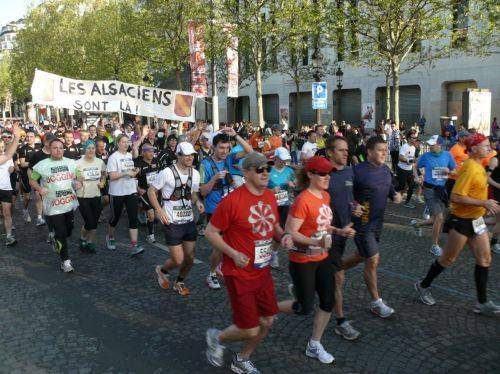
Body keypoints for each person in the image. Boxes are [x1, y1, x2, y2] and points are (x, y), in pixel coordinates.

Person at [204, 152, 293, 374]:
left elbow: (272, 225)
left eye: (267, 169)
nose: (265, 173)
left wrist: (283, 237)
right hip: (239, 273)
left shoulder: (271, 196)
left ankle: (242, 358)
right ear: (246, 173)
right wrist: (232, 253)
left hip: (262, 272)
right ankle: (217, 337)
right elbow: (210, 233)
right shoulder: (233, 201)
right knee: (251, 329)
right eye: (259, 169)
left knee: (268, 321)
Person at [278, 156, 355, 364]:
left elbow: (323, 225)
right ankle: (270, 308)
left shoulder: (324, 196)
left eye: (328, 173)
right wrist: (318, 243)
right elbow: (291, 232)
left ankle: (314, 343)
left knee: (328, 301)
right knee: (304, 307)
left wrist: (339, 230)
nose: (327, 177)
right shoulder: (303, 200)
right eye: (322, 173)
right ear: (310, 174)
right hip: (302, 260)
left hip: (323, 258)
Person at [415, 133, 500, 316]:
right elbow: (456, 196)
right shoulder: (471, 167)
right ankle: (423, 285)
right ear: (474, 148)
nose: (489, 147)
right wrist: (483, 203)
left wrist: (452, 172)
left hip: (476, 221)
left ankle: (482, 302)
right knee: (447, 259)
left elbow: (459, 173)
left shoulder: (476, 165)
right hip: (461, 221)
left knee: (484, 259)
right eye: (485, 145)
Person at [342, 136, 401, 317]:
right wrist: (353, 205)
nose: (384, 153)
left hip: (377, 224)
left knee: (360, 256)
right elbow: (345, 194)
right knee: (373, 260)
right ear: (369, 152)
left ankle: (332, 268)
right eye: (380, 150)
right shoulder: (356, 171)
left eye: (385, 150)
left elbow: (389, 185)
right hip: (363, 224)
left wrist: (395, 195)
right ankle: (376, 302)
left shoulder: (385, 169)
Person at [149, 142, 204, 296]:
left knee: (190, 258)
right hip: (171, 220)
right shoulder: (166, 172)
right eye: (186, 155)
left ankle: (179, 282)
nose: (189, 158)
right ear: (178, 155)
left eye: (191, 155)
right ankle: (162, 269)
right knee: (178, 259)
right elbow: (151, 191)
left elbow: (192, 193)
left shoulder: (195, 174)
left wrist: (197, 202)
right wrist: (159, 210)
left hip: (188, 220)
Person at [200, 128, 253, 289]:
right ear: (214, 147)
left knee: (235, 239)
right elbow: (202, 191)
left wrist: (235, 135)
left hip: (232, 206)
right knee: (219, 245)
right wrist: (214, 179)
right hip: (214, 207)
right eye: (221, 148)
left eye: (227, 148)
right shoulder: (205, 164)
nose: (224, 151)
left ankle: (224, 267)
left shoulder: (229, 159)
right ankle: (211, 273)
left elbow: (250, 152)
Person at [325, 136, 363, 340]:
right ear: (330, 152)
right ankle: (341, 322)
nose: (346, 153)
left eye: (346, 150)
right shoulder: (322, 173)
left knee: (329, 274)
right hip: (326, 233)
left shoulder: (349, 171)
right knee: (338, 277)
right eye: (341, 150)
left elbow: (350, 198)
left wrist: (356, 206)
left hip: (344, 231)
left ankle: (305, 284)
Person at [29, 138, 81, 272]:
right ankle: (65, 261)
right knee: (62, 233)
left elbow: (78, 176)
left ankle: (54, 236)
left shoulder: (71, 162)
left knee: (69, 230)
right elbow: (32, 180)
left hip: (69, 203)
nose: (58, 150)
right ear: (50, 149)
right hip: (53, 206)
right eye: (55, 148)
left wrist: (79, 182)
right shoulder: (42, 164)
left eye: (60, 148)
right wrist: (40, 189)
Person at [410, 135, 456, 256]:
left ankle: (417, 224)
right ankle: (434, 246)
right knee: (439, 217)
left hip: (442, 190)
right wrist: (417, 177)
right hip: (429, 189)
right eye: (429, 144)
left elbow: (455, 171)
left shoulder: (447, 155)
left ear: (439, 144)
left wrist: (449, 171)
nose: (430, 146)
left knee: (438, 219)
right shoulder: (426, 156)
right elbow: (415, 166)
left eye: (432, 144)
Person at [106, 134, 144, 256]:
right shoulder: (113, 157)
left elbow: (132, 171)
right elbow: (111, 176)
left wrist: (134, 172)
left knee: (133, 218)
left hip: (131, 191)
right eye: (123, 142)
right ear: (118, 143)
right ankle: (110, 237)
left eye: (127, 142)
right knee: (115, 218)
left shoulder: (129, 156)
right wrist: (126, 173)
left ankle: (134, 245)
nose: (126, 144)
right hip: (117, 192)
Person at [75, 140, 106, 253]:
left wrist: (103, 182)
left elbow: (104, 174)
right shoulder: (78, 163)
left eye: (93, 148)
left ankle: (89, 242)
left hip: (96, 194)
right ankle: (84, 239)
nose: (91, 150)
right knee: (89, 221)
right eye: (88, 148)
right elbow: (73, 178)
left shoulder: (100, 162)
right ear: (84, 149)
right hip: (83, 196)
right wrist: (77, 181)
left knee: (94, 220)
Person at [268, 147, 296, 268]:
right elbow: (259, 188)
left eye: (286, 160)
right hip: (269, 205)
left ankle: (273, 253)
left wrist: (292, 185)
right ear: (275, 158)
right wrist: (271, 190)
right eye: (282, 159)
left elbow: (296, 184)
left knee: (279, 232)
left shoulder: (289, 171)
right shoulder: (267, 171)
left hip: (284, 205)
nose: (284, 162)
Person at [134, 142, 160, 243]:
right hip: (144, 192)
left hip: (156, 191)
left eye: (153, 150)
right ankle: (150, 235)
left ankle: (141, 212)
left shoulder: (157, 162)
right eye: (149, 151)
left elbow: (163, 175)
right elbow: (132, 179)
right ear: (143, 153)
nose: (152, 153)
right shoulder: (138, 164)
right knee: (151, 214)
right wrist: (138, 189)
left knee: (158, 215)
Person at [0, 124, 22, 245]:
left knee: (7, 212)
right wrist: (17, 137)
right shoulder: (5, 155)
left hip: (6, 187)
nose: (0, 148)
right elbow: (9, 154)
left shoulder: (6, 156)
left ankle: (9, 236)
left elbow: (10, 159)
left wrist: (12, 169)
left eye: (2, 147)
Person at [17, 130, 41, 223]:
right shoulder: (23, 149)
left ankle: (39, 218)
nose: (29, 138)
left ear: (35, 138)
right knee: (27, 197)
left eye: (31, 136)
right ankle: (25, 210)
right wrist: (35, 163)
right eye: (27, 137)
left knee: (38, 195)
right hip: (26, 174)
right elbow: (22, 164)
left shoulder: (40, 147)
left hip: (38, 174)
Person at [396, 130, 418, 208]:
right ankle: (390, 191)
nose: (415, 139)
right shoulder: (405, 146)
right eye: (413, 138)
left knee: (412, 186)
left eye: (415, 138)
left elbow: (412, 158)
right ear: (409, 139)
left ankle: (407, 202)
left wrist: (415, 160)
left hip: (409, 170)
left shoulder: (413, 147)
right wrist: (408, 161)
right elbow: (400, 157)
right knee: (401, 186)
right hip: (402, 169)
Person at [446, 130, 470, 196]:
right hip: (454, 179)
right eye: (466, 136)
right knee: (452, 199)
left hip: (464, 178)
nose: (468, 138)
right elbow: (447, 162)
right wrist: (451, 171)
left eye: (469, 136)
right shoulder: (455, 149)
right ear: (460, 138)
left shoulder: (468, 148)